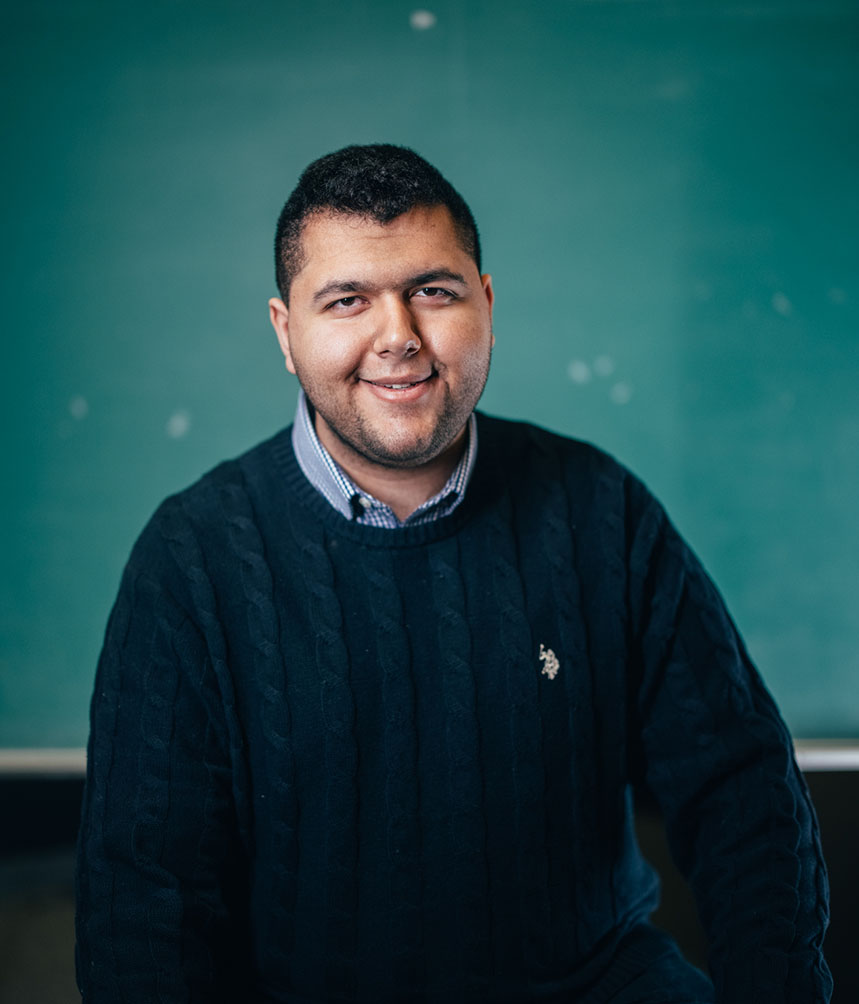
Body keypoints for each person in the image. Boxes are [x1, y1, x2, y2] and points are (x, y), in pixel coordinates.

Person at [75, 144, 832, 1003]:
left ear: (488, 305)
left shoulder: (599, 509)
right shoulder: (192, 560)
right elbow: (145, 904)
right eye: (348, 300)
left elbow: (743, 791)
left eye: (433, 291)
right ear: (287, 334)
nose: (398, 334)